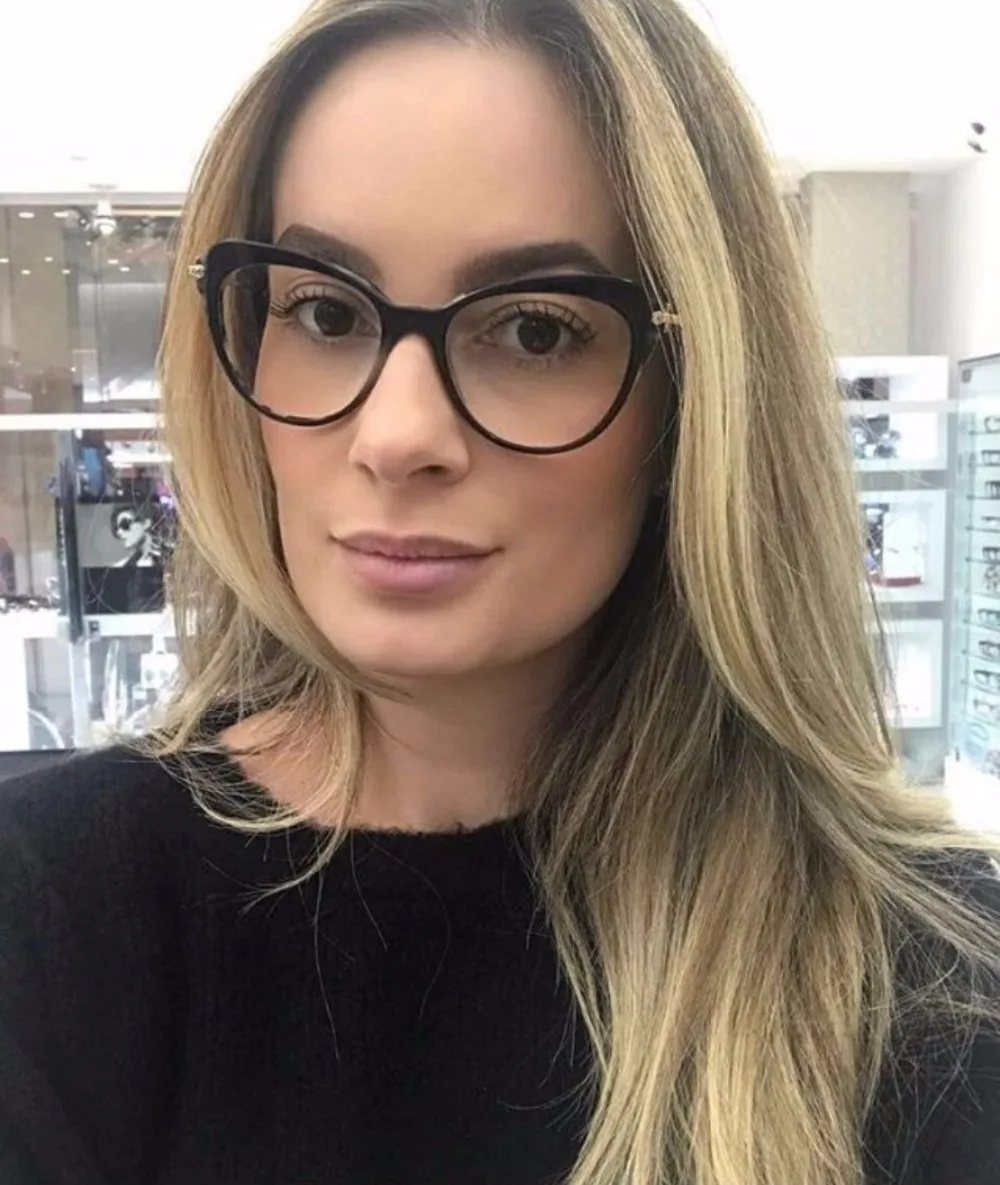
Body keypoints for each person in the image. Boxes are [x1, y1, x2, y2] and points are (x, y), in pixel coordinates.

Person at [1, 1, 998, 1183]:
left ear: (698, 394)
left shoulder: (922, 973)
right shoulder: (52, 910)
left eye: (533, 331)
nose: (397, 435)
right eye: (325, 311)